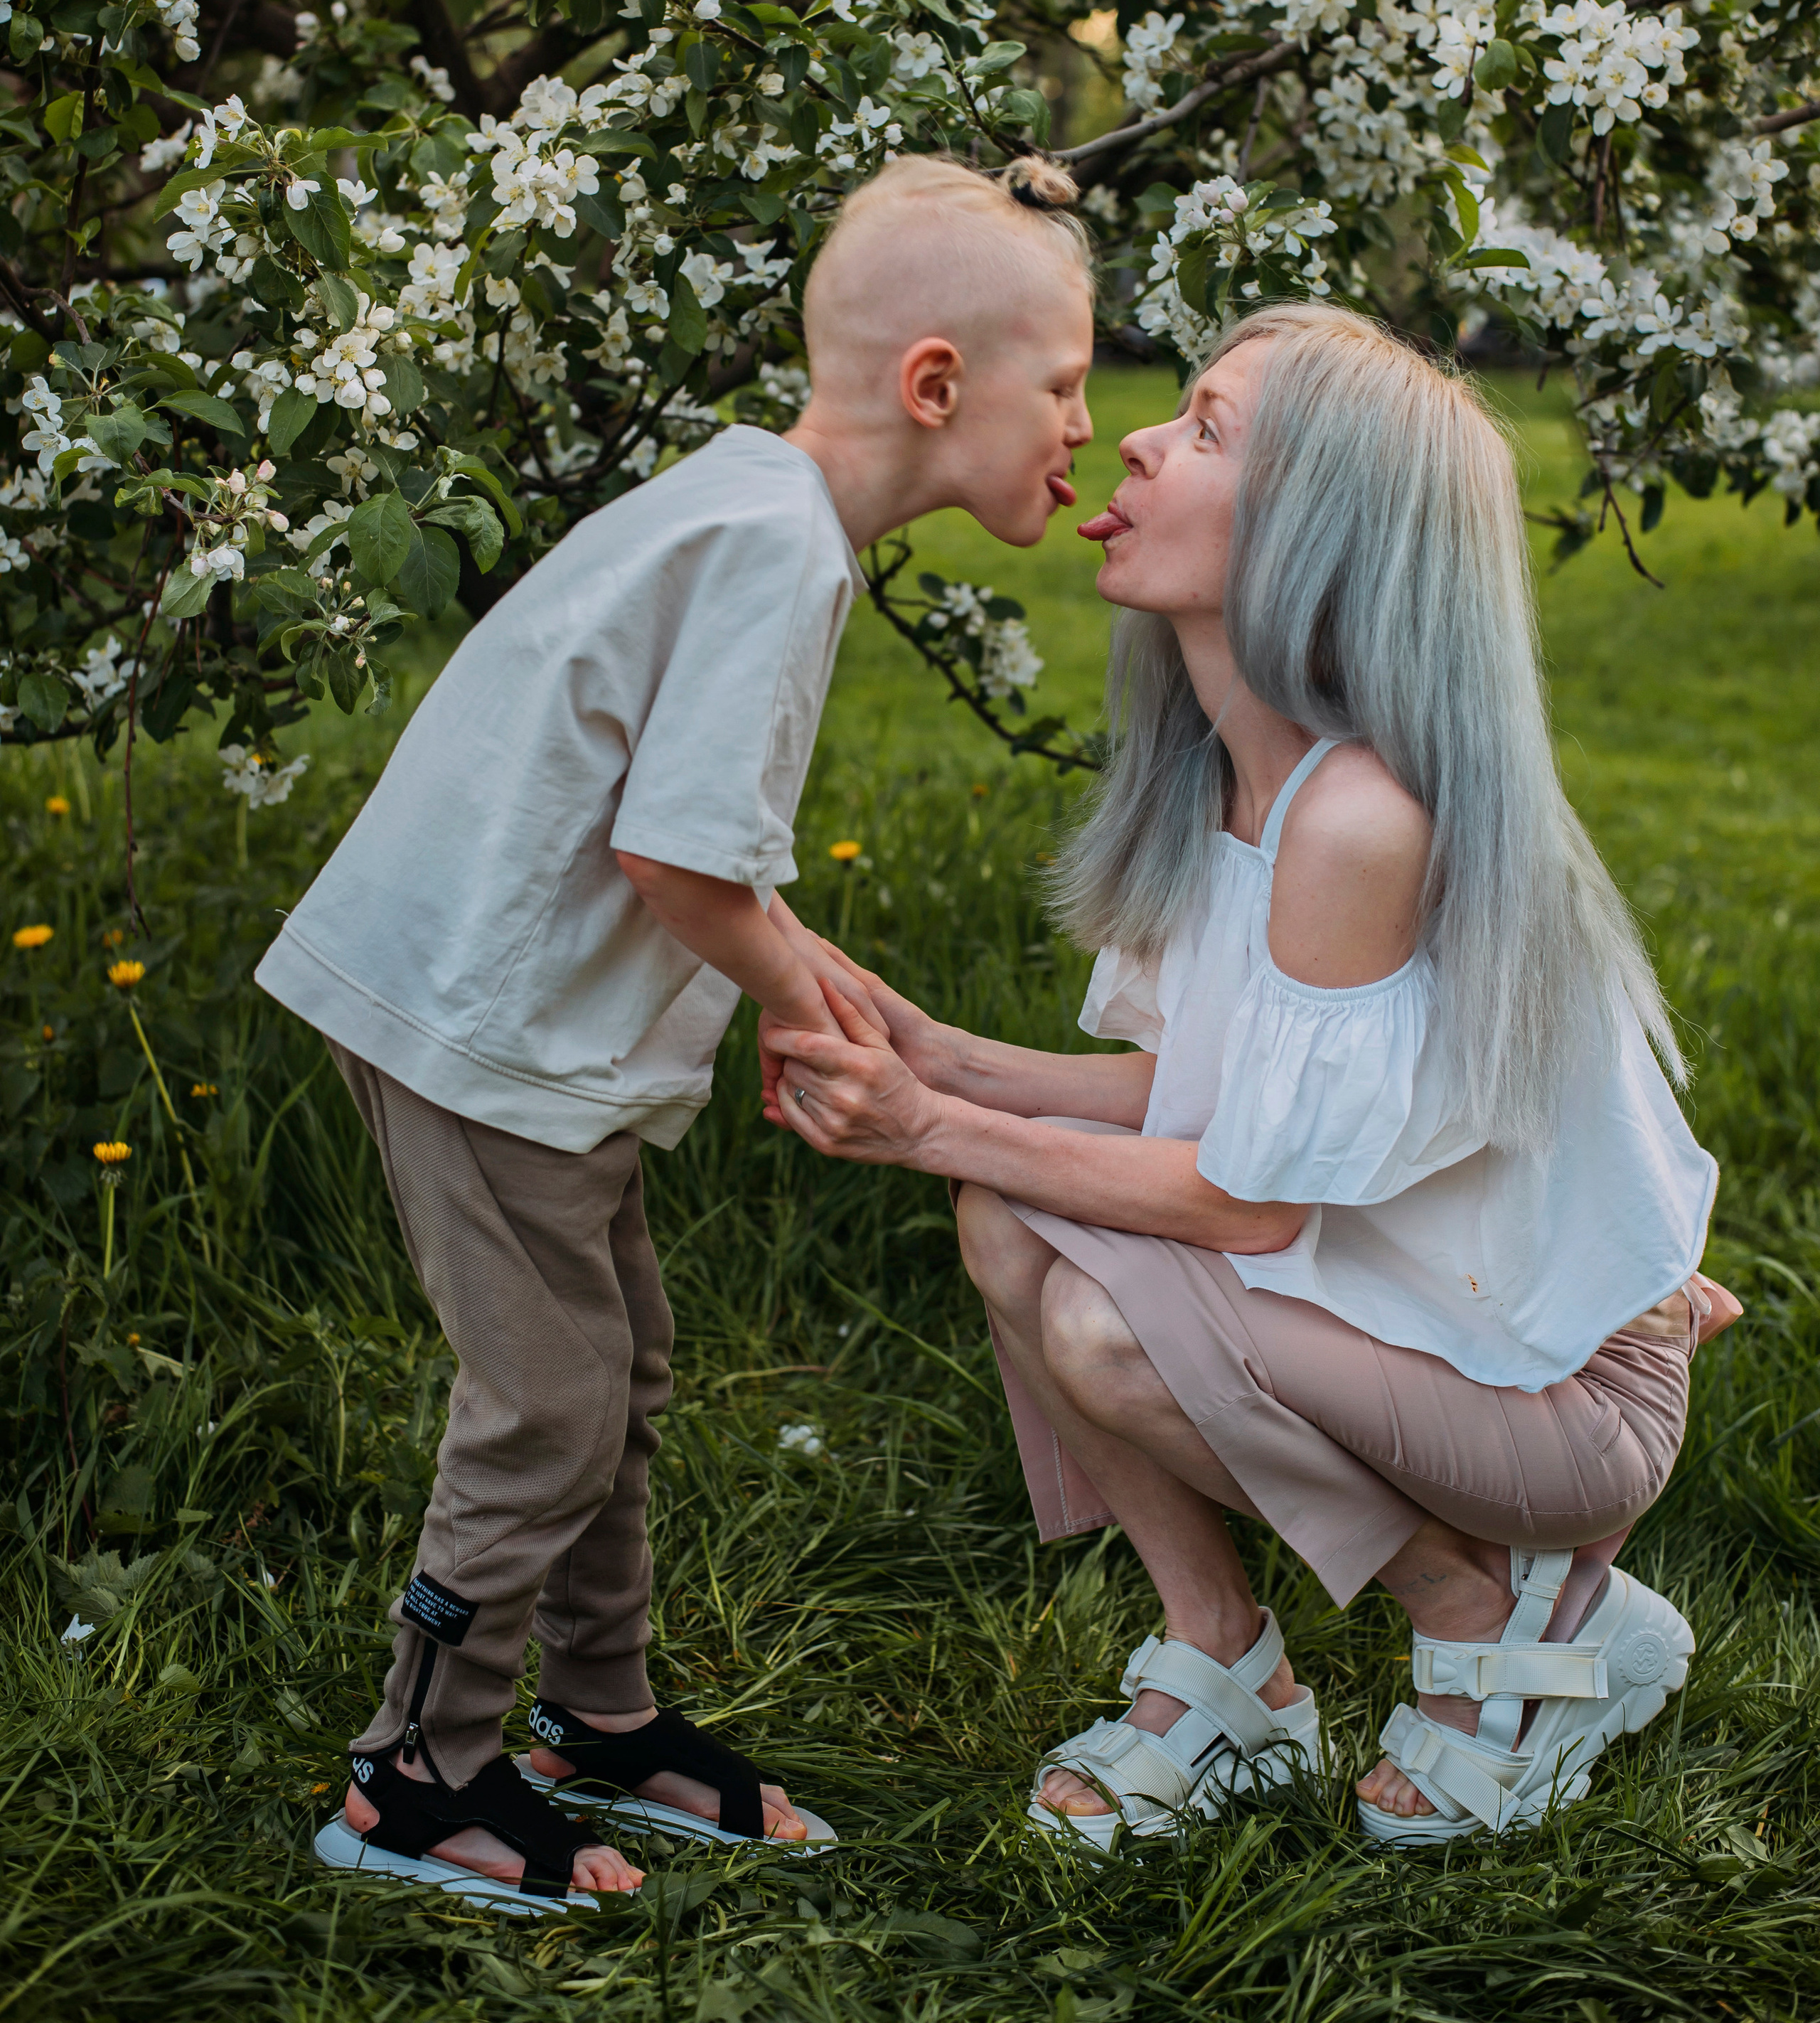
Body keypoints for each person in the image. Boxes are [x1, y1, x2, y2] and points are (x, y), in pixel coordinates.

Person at [761, 303, 1741, 1850]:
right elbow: (1201, 1113)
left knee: (1095, 1304)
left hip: (1556, 1389)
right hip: (1422, 1305)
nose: (1137, 436)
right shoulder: (1231, 781)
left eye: (1208, 428)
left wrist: (932, 1118)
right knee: (1005, 1218)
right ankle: (1227, 1668)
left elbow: (1238, 1203)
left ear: (1321, 535)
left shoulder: (1359, 816)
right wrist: (939, 1062)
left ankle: (1509, 1632)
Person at [257, 153, 1096, 1912]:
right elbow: (672, 855)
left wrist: (810, 961)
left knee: (615, 1374)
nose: (1087, 428)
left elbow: (674, 837)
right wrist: (792, 996)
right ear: (935, 386)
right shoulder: (777, 556)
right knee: (550, 1403)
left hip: (514, 1015)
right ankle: (417, 1774)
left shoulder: (749, 505)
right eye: (1070, 386)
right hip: (479, 1031)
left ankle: (600, 1719)